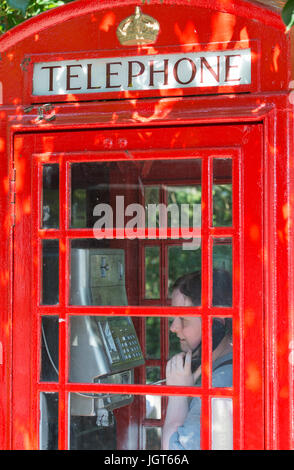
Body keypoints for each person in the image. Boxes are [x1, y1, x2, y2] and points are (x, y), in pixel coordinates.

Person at [162, 269, 233, 450]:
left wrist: (178, 393)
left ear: (215, 324)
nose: (173, 327)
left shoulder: (218, 383)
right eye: (173, 317)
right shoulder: (225, 369)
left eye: (183, 320)